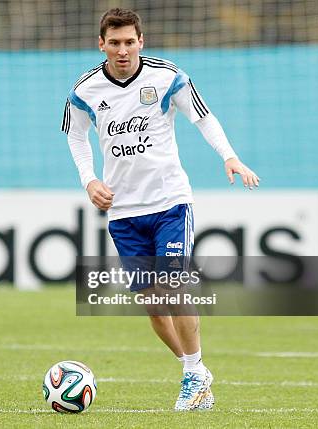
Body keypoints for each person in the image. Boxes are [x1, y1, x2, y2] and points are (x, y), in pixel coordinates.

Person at [61, 8, 260, 411]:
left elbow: (203, 118)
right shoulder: (85, 89)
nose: (122, 50)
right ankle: (197, 371)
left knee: (174, 288)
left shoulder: (167, 76)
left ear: (141, 41)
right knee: (154, 306)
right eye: (114, 43)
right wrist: (89, 179)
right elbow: (75, 135)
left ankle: (192, 374)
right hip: (123, 212)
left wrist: (230, 157)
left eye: (129, 42)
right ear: (101, 44)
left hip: (170, 202)